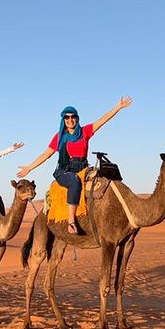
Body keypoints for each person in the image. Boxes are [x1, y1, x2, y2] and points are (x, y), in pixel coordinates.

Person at [17, 97, 132, 235]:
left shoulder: (84, 132)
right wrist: (29, 167)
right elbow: (46, 154)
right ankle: (71, 221)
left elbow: (103, 120)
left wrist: (118, 107)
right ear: (63, 120)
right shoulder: (59, 137)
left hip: (83, 167)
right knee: (74, 182)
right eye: (67, 117)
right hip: (64, 170)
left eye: (73, 117)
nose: (70, 120)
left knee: (106, 178)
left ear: (77, 118)